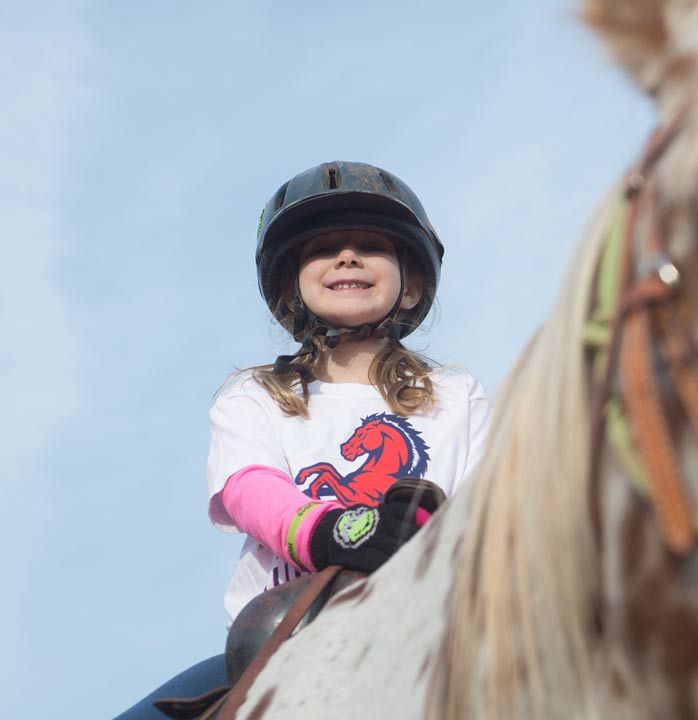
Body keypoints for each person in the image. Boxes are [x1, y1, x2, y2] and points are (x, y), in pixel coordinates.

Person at [113, 161, 491, 719]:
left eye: (371, 245)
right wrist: (337, 531)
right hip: (277, 644)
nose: (347, 256)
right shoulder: (254, 396)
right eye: (324, 249)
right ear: (293, 286)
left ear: (410, 287)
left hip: (428, 637)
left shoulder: (456, 397)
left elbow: (490, 511)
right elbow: (249, 489)